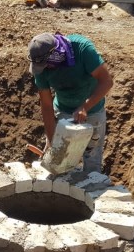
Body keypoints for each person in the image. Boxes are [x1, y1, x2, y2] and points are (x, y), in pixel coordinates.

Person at [28, 32, 114, 174]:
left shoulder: (82, 49)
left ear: (55, 54)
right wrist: (51, 140)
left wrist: (85, 107)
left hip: (93, 112)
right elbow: (47, 105)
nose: (44, 69)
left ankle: (92, 189)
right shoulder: (40, 66)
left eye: (46, 65)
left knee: (91, 160)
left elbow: (107, 82)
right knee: (59, 161)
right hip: (62, 111)